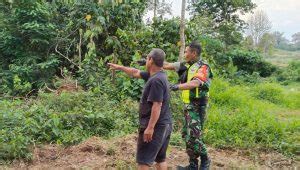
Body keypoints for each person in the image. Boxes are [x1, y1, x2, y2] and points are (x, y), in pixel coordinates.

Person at [108, 48, 172, 170]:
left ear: (151, 60)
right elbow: (135, 72)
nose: (146, 60)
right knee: (160, 159)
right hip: (165, 124)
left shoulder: (156, 80)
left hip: (155, 126)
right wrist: (120, 67)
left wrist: (150, 127)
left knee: (144, 162)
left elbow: (157, 105)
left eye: (147, 58)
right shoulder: (158, 75)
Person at [164, 41, 213, 170]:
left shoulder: (203, 67)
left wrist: (176, 86)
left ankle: (206, 159)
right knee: (187, 135)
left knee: (195, 136)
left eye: (186, 51)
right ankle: (192, 165)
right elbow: (167, 65)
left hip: (198, 107)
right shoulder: (186, 65)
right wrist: (151, 61)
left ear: (194, 53)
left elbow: (195, 83)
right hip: (188, 106)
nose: (185, 53)